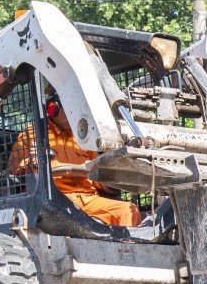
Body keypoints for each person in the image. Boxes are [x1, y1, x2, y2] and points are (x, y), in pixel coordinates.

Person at [9, 93, 141, 227]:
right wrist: (31, 163)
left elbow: (97, 172)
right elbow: (13, 172)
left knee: (129, 211)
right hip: (55, 199)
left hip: (89, 199)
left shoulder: (83, 136)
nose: (74, 115)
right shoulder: (32, 134)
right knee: (63, 223)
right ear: (53, 108)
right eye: (70, 110)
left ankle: (128, 241)